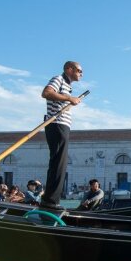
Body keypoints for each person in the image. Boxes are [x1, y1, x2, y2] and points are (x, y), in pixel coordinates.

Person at [40, 61, 84, 211]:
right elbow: (46, 93)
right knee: (58, 163)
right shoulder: (58, 79)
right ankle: (51, 202)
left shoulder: (67, 85)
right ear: (69, 69)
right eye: (79, 70)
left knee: (59, 163)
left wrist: (69, 97)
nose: (81, 74)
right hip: (57, 124)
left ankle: (50, 200)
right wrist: (69, 99)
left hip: (61, 125)